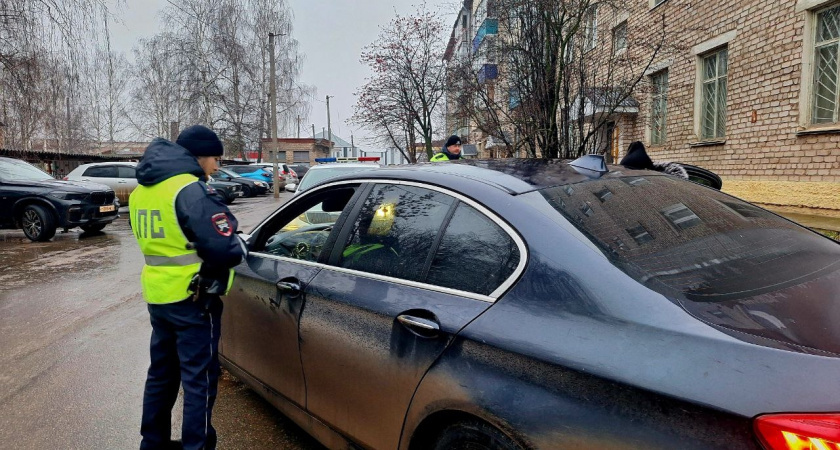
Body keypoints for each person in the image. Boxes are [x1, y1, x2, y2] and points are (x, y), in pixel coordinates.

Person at [129, 125, 245, 450]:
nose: (217, 166)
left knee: (161, 376)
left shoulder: (142, 191)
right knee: (199, 380)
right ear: (199, 156)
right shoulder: (189, 189)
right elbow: (227, 248)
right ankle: (197, 446)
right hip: (195, 300)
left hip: (159, 297)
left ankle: (152, 444)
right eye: (215, 158)